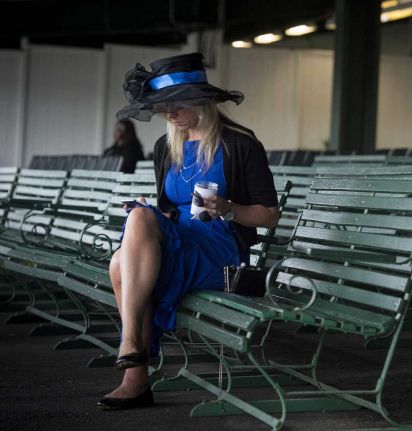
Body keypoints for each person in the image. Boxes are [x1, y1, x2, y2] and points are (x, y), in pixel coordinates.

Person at [98, 53, 279, 410]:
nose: (170, 113)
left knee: (121, 264)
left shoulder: (240, 143)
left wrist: (228, 209)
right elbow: (167, 208)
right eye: (163, 106)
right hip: (179, 239)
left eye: (177, 103)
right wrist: (147, 210)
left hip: (219, 247)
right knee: (137, 220)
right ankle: (133, 357)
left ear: (202, 99)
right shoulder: (167, 147)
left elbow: (269, 216)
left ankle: (134, 371)